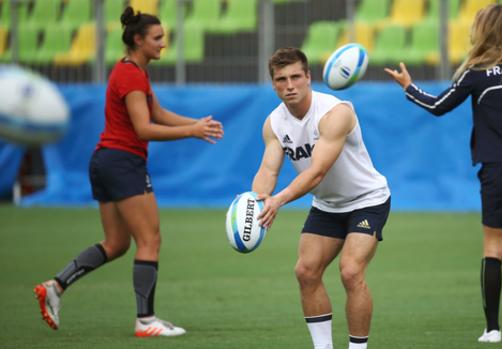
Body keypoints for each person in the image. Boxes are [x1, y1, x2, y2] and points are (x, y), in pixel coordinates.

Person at [385, 4, 502, 344]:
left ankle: (493, 329)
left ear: (481, 32)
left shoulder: (476, 73)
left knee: (494, 248)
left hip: (499, 170)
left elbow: (438, 106)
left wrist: (408, 86)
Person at [34, 7, 224, 337]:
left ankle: (56, 286)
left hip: (106, 161)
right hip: (123, 162)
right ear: (138, 40)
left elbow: (157, 112)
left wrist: (195, 124)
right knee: (150, 240)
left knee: (116, 243)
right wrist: (190, 132)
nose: (163, 43)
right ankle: (146, 321)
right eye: (158, 38)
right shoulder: (132, 74)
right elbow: (143, 128)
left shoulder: (130, 69)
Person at [253, 47, 390, 349]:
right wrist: (257, 201)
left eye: (295, 77)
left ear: (308, 77)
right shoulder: (274, 123)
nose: (289, 85)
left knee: (351, 271)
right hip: (328, 205)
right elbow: (268, 169)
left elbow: (317, 173)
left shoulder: (335, 113)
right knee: (305, 271)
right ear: (273, 84)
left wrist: (279, 200)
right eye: (281, 79)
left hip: (367, 199)